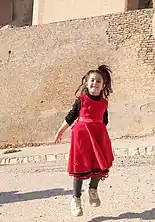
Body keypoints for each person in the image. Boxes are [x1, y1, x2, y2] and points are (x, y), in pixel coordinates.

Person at [54, 65, 115, 217]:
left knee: (101, 165)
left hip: (98, 137)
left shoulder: (104, 103)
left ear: (103, 85)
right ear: (87, 83)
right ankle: (76, 199)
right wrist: (60, 131)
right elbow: (70, 117)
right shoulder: (81, 100)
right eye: (92, 80)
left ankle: (93, 189)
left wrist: (99, 136)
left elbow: (104, 121)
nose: (95, 83)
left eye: (99, 81)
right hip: (81, 138)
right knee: (79, 168)